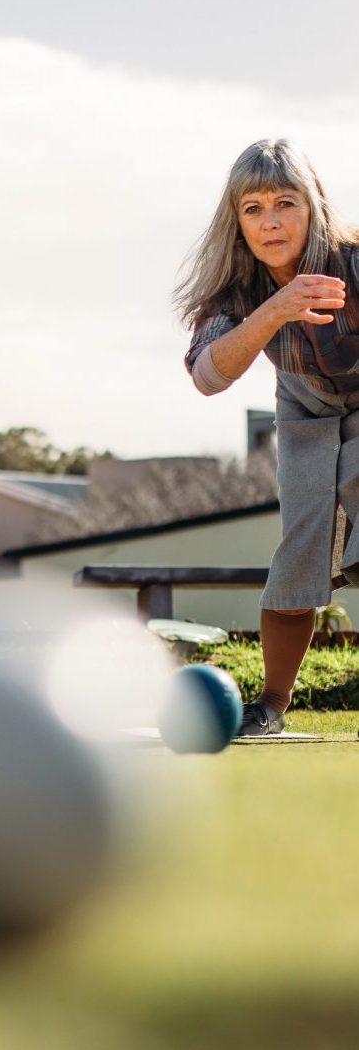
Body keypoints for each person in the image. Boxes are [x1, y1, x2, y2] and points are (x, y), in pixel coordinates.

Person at [177, 137, 359, 736]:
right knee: (297, 560)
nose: (270, 221)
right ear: (237, 222)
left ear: (313, 206)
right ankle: (272, 707)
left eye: (285, 203)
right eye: (253, 208)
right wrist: (274, 309)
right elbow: (208, 376)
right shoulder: (236, 288)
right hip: (305, 411)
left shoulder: (353, 261)